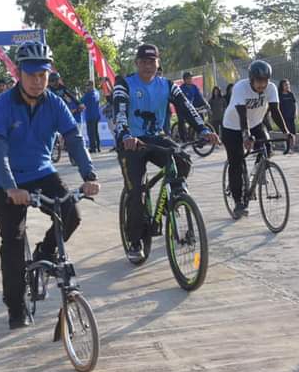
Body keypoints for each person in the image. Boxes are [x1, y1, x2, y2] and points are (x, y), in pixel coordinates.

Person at [0, 40, 100, 330]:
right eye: (32, 74)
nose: (38, 81)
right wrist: (11, 188)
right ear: (19, 74)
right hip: (5, 180)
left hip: (41, 172)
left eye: (43, 75)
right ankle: (15, 306)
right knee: (12, 240)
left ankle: (44, 253)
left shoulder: (54, 102)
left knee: (71, 215)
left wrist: (89, 175)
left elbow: (73, 139)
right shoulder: (2, 106)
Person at [114, 44, 219, 261]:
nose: (147, 66)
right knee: (136, 193)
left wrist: (203, 129)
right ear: (137, 63)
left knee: (182, 159)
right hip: (131, 142)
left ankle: (172, 203)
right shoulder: (124, 84)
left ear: (158, 63)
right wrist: (125, 135)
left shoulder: (167, 85)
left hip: (157, 138)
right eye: (143, 61)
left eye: (152, 61)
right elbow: (120, 111)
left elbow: (186, 107)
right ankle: (135, 241)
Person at [221, 60, 295, 219]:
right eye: (259, 81)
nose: (262, 85)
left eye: (265, 81)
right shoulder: (241, 87)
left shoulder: (271, 88)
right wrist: (246, 136)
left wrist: (286, 132)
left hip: (255, 123)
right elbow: (242, 115)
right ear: (251, 79)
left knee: (267, 149)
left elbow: (275, 112)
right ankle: (238, 202)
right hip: (232, 127)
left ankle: (254, 178)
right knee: (237, 162)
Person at [176, 71, 208, 141]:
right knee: (181, 121)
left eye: (190, 78)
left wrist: (206, 104)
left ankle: (199, 136)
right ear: (184, 80)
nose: (190, 80)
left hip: (190, 106)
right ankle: (183, 137)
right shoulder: (181, 88)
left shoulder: (194, 87)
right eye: (188, 78)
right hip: (181, 107)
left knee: (199, 117)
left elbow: (200, 96)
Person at [82, 80, 101, 153]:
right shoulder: (97, 92)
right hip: (96, 115)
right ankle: (98, 147)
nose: (86, 87)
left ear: (91, 85)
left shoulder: (88, 94)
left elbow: (81, 101)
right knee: (95, 132)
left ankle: (93, 148)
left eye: (87, 85)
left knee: (91, 133)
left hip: (90, 116)